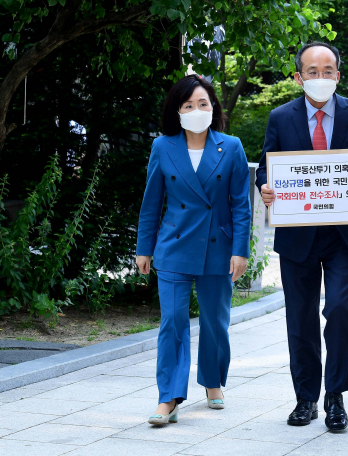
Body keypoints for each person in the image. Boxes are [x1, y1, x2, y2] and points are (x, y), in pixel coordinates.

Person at [256, 42, 348, 431]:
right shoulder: (281, 117)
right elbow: (267, 166)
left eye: (327, 71)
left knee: (340, 312)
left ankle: (336, 396)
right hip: (298, 234)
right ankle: (306, 398)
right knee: (300, 318)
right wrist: (266, 187)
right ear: (298, 77)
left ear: (338, 76)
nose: (320, 78)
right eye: (311, 71)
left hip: (344, 235)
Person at [136, 74, 251, 425]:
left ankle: (213, 381)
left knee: (216, 322)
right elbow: (151, 202)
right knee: (172, 322)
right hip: (173, 246)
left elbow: (241, 205)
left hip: (219, 249)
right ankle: (168, 397)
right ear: (177, 110)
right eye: (189, 105)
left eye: (203, 103)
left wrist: (240, 250)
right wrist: (144, 247)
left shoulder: (230, 146)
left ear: (213, 107)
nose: (197, 110)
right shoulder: (162, 147)